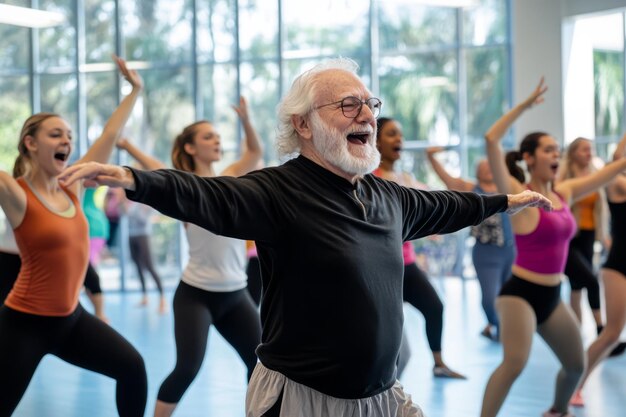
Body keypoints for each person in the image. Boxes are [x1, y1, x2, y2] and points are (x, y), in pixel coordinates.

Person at [60, 58, 551, 417]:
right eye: (348, 105)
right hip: (302, 400)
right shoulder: (278, 191)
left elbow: (448, 206)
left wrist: (505, 202)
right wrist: (133, 179)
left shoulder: (386, 196)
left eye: (369, 104)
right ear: (303, 125)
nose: (366, 115)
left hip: (381, 395)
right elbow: (207, 195)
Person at [0, 56, 147, 416]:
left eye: (69, 135)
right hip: (24, 324)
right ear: (31, 144)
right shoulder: (16, 193)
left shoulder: (72, 186)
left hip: (72, 319)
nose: (66, 140)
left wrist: (135, 90)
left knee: (133, 369)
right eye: (55, 134)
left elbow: (109, 136)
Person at [479, 78, 626, 417]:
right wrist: (524, 107)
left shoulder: (566, 192)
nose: (555, 154)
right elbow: (491, 140)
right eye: (548, 149)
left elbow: (615, 168)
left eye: (557, 150)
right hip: (520, 293)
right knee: (515, 362)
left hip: (551, 294)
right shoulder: (518, 192)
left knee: (575, 366)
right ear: (529, 158)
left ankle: (557, 412)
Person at [149, 96, 263, 417]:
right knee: (187, 368)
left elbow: (254, 153)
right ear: (190, 148)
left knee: (261, 365)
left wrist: (246, 120)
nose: (216, 141)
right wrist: (129, 148)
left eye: (217, 135)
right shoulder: (185, 188)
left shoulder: (230, 179)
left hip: (235, 293)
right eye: (207, 137)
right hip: (196, 295)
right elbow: (152, 172)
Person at [375, 116, 466, 379]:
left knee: (435, 307)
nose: (399, 140)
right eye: (392, 134)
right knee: (394, 342)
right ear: (377, 141)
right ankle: (383, 387)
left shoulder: (406, 177)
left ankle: (438, 363)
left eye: (400, 135)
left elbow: (424, 210)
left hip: (407, 263)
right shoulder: (370, 178)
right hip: (383, 268)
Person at [427, 146, 515, 341]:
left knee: (509, 298)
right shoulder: (470, 188)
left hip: (511, 251)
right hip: (485, 253)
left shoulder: (507, 187)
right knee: (489, 299)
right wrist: (431, 156)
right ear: (476, 171)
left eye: (489, 165)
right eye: (482, 167)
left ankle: (500, 331)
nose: (487, 169)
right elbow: (446, 178)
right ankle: (499, 326)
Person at [570, 133, 626, 407]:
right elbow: (618, 158)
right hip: (618, 267)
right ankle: (575, 385)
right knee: (612, 333)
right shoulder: (616, 184)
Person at [557, 137, 626, 357]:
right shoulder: (566, 177)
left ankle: (575, 336)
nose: (589, 153)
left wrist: (604, 235)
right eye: (585, 149)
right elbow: (617, 161)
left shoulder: (595, 175)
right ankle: (600, 329)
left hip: (588, 237)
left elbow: (604, 206)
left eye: (591, 150)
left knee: (577, 288)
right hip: (569, 239)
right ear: (574, 152)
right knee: (590, 280)